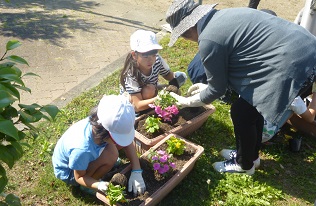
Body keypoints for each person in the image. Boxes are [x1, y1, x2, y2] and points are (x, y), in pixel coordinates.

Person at [165, 0, 316, 175]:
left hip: (296, 65)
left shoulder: (208, 39)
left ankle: (244, 165)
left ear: (186, 29)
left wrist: (186, 101)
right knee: (252, 106)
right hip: (307, 49)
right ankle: (251, 156)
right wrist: (205, 87)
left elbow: (216, 90)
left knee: (241, 112)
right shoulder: (226, 15)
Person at [52, 95, 146, 196]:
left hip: (83, 157)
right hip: (70, 172)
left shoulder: (101, 122)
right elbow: (79, 177)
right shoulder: (82, 150)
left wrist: (136, 170)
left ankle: (100, 163)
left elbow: (127, 143)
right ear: (106, 134)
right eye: (117, 138)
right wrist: (98, 184)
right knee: (112, 155)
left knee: (112, 152)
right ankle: (88, 186)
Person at [120, 29, 187, 115]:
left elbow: (167, 75)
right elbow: (137, 105)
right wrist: (160, 98)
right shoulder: (131, 73)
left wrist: (175, 83)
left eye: (153, 55)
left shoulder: (157, 61)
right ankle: (145, 112)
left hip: (151, 90)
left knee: (175, 89)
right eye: (146, 56)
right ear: (134, 55)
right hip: (133, 102)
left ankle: (152, 104)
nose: (151, 60)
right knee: (149, 90)